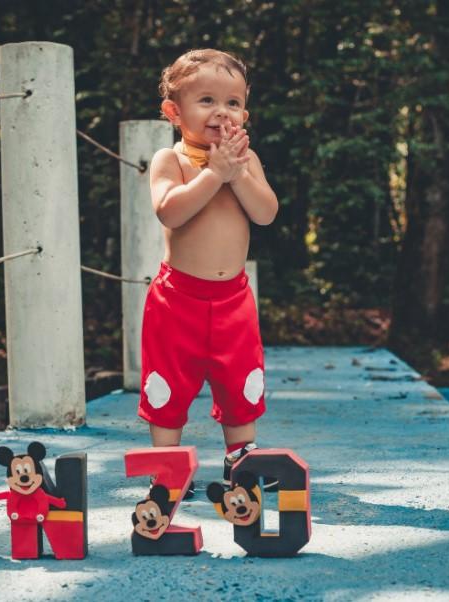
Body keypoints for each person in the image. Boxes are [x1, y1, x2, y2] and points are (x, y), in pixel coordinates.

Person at [140, 49, 278, 494]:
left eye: (232, 102)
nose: (222, 111)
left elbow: (266, 214)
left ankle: (241, 465)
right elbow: (170, 212)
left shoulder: (246, 162)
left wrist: (234, 173)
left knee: (241, 384)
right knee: (168, 385)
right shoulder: (172, 160)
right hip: (176, 301)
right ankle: (166, 472)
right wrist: (212, 174)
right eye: (206, 100)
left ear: (245, 113)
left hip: (233, 301)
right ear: (173, 112)